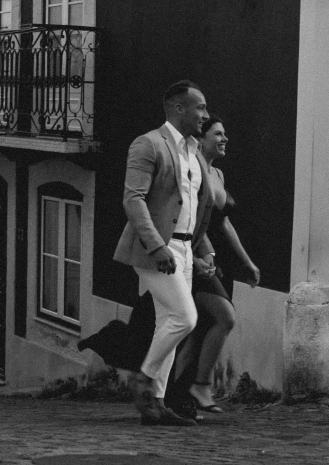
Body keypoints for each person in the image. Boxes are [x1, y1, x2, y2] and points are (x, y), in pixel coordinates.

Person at [113, 79, 215, 426]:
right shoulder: (148, 144)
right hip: (156, 248)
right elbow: (133, 199)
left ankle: (155, 404)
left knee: (168, 322)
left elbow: (192, 205)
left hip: (185, 248)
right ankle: (144, 377)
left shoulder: (194, 151)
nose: (206, 114)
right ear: (178, 108)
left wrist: (201, 248)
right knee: (186, 318)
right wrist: (157, 246)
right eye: (199, 107)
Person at [168, 115, 261, 414]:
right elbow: (188, 218)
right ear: (203, 138)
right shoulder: (191, 169)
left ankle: (178, 396)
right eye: (219, 134)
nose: (225, 139)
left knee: (201, 328)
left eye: (225, 134)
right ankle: (200, 385)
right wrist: (196, 257)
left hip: (220, 262)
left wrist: (246, 262)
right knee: (225, 318)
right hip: (197, 257)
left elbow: (225, 224)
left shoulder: (217, 174)